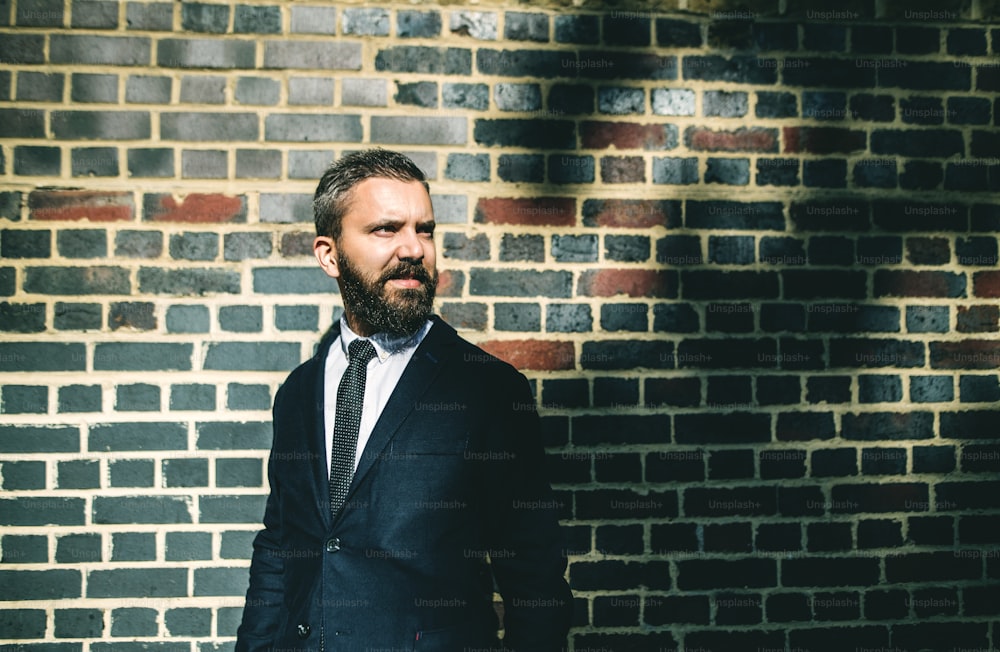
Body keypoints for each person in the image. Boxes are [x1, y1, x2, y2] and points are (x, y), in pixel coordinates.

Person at [235, 148, 573, 652]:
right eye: (386, 229)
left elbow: (534, 576)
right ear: (329, 254)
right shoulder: (298, 393)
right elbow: (280, 549)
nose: (414, 248)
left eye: (426, 229)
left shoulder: (488, 390)